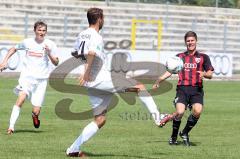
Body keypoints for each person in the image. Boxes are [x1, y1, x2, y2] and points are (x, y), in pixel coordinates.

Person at [66, 7, 172, 157]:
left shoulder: (81, 34)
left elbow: (75, 52)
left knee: (100, 119)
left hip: (92, 83)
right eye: (103, 18)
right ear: (99, 19)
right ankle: (158, 117)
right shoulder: (95, 36)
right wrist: (88, 72)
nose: (104, 21)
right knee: (139, 87)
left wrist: (84, 70)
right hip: (98, 78)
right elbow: (91, 52)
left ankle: (73, 149)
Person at [153, 31, 214, 146]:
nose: (190, 43)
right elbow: (169, 71)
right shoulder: (180, 57)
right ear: (185, 42)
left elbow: (210, 74)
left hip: (197, 90)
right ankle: (173, 137)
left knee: (197, 111)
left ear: (196, 41)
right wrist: (158, 81)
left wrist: (205, 74)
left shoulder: (203, 57)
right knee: (180, 112)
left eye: (192, 40)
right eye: (188, 41)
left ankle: (184, 132)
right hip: (182, 89)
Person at [0, 21, 59, 134]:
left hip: (41, 81)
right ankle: (11, 127)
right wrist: (4, 61)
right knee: (21, 99)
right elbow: (13, 49)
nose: (41, 33)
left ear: (46, 32)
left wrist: (49, 53)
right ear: (34, 30)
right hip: (27, 78)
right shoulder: (27, 42)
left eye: (44, 30)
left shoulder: (50, 44)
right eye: (39, 30)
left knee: (36, 110)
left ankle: (34, 115)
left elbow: (56, 62)